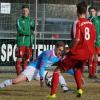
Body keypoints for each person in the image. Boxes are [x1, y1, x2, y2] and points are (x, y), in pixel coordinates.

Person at [47, 2, 96, 99]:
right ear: (86, 11)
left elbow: (76, 39)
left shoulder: (77, 23)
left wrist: (68, 49)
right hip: (88, 53)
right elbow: (93, 39)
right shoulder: (90, 23)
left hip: (77, 52)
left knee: (58, 70)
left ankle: (52, 94)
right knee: (77, 68)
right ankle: (79, 89)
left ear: (77, 11)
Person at [0, 41, 69, 92]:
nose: (60, 52)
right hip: (32, 68)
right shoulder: (48, 53)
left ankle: (65, 88)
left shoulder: (59, 57)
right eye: (59, 50)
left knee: (57, 72)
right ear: (55, 47)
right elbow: (42, 67)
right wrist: (42, 79)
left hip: (39, 71)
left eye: (61, 51)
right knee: (15, 81)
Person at [16, 5, 35, 75]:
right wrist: (31, 33)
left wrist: (35, 27)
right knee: (19, 58)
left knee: (26, 59)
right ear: (22, 11)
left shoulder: (31, 20)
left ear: (28, 12)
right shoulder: (19, 20)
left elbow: (34, 29)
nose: (25, 12)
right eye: (23, 11)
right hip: (21, 42)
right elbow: (20, 31)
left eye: (26, 11)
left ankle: (24, 75)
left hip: (29, 42)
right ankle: (18, 74)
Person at [87, 6, 98, 78]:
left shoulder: (97, 19)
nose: (92, 12)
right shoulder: (87, 19)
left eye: (93, 11)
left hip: (97, 41)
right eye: (90, 11)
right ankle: (90, 73)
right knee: (90, 57)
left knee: (96, 57)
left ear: (95, 12)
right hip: (89, 41)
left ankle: (94, 72)